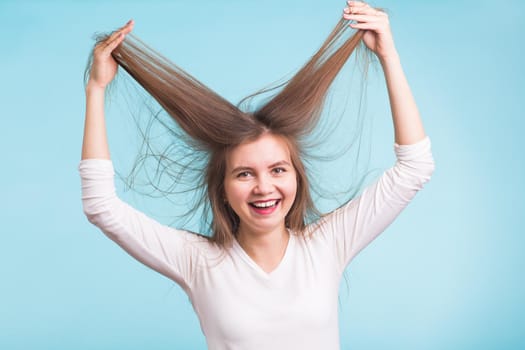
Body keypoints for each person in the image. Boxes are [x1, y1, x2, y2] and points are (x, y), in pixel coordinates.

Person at [79, 1, 435, 349]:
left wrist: (389, 57)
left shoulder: (327, 245)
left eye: (278, 169)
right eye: (244, 174)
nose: (264, 187)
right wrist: (96, 90)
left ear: (297, 177)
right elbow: (101, 207)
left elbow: (414, 168)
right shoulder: (197, 260)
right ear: (221, 189)